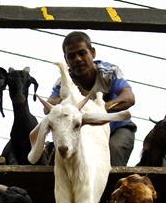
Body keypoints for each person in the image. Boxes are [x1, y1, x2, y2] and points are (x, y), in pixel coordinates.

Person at [48, 31, 136, 166]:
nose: (77, 59)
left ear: (93, 53)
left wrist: (101, 108)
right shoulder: (64, 82)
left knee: (113, 152)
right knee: (58, 158)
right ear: (66, 60)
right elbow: (48, 106)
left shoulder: (109, 72)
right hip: (85, 135)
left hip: (116, 130)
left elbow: (129, 97)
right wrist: (66, 103)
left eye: (82, 53)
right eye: (71, 56)